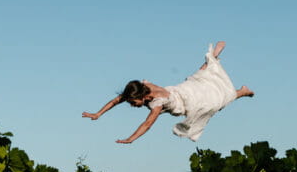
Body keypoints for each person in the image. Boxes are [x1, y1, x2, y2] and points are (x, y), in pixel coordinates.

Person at [82, 41, 254, 143]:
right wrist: (98, 114)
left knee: (218, 102)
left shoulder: (156, 103)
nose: (132, 106)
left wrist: (131, 138)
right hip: (182, 89)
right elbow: (115, 100)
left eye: (133, 103)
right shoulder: (143, 85)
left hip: (190, 102)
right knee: (200, 77)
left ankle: (241, 91)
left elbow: (147, 124)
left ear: (144, 97)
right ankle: (212, 57)